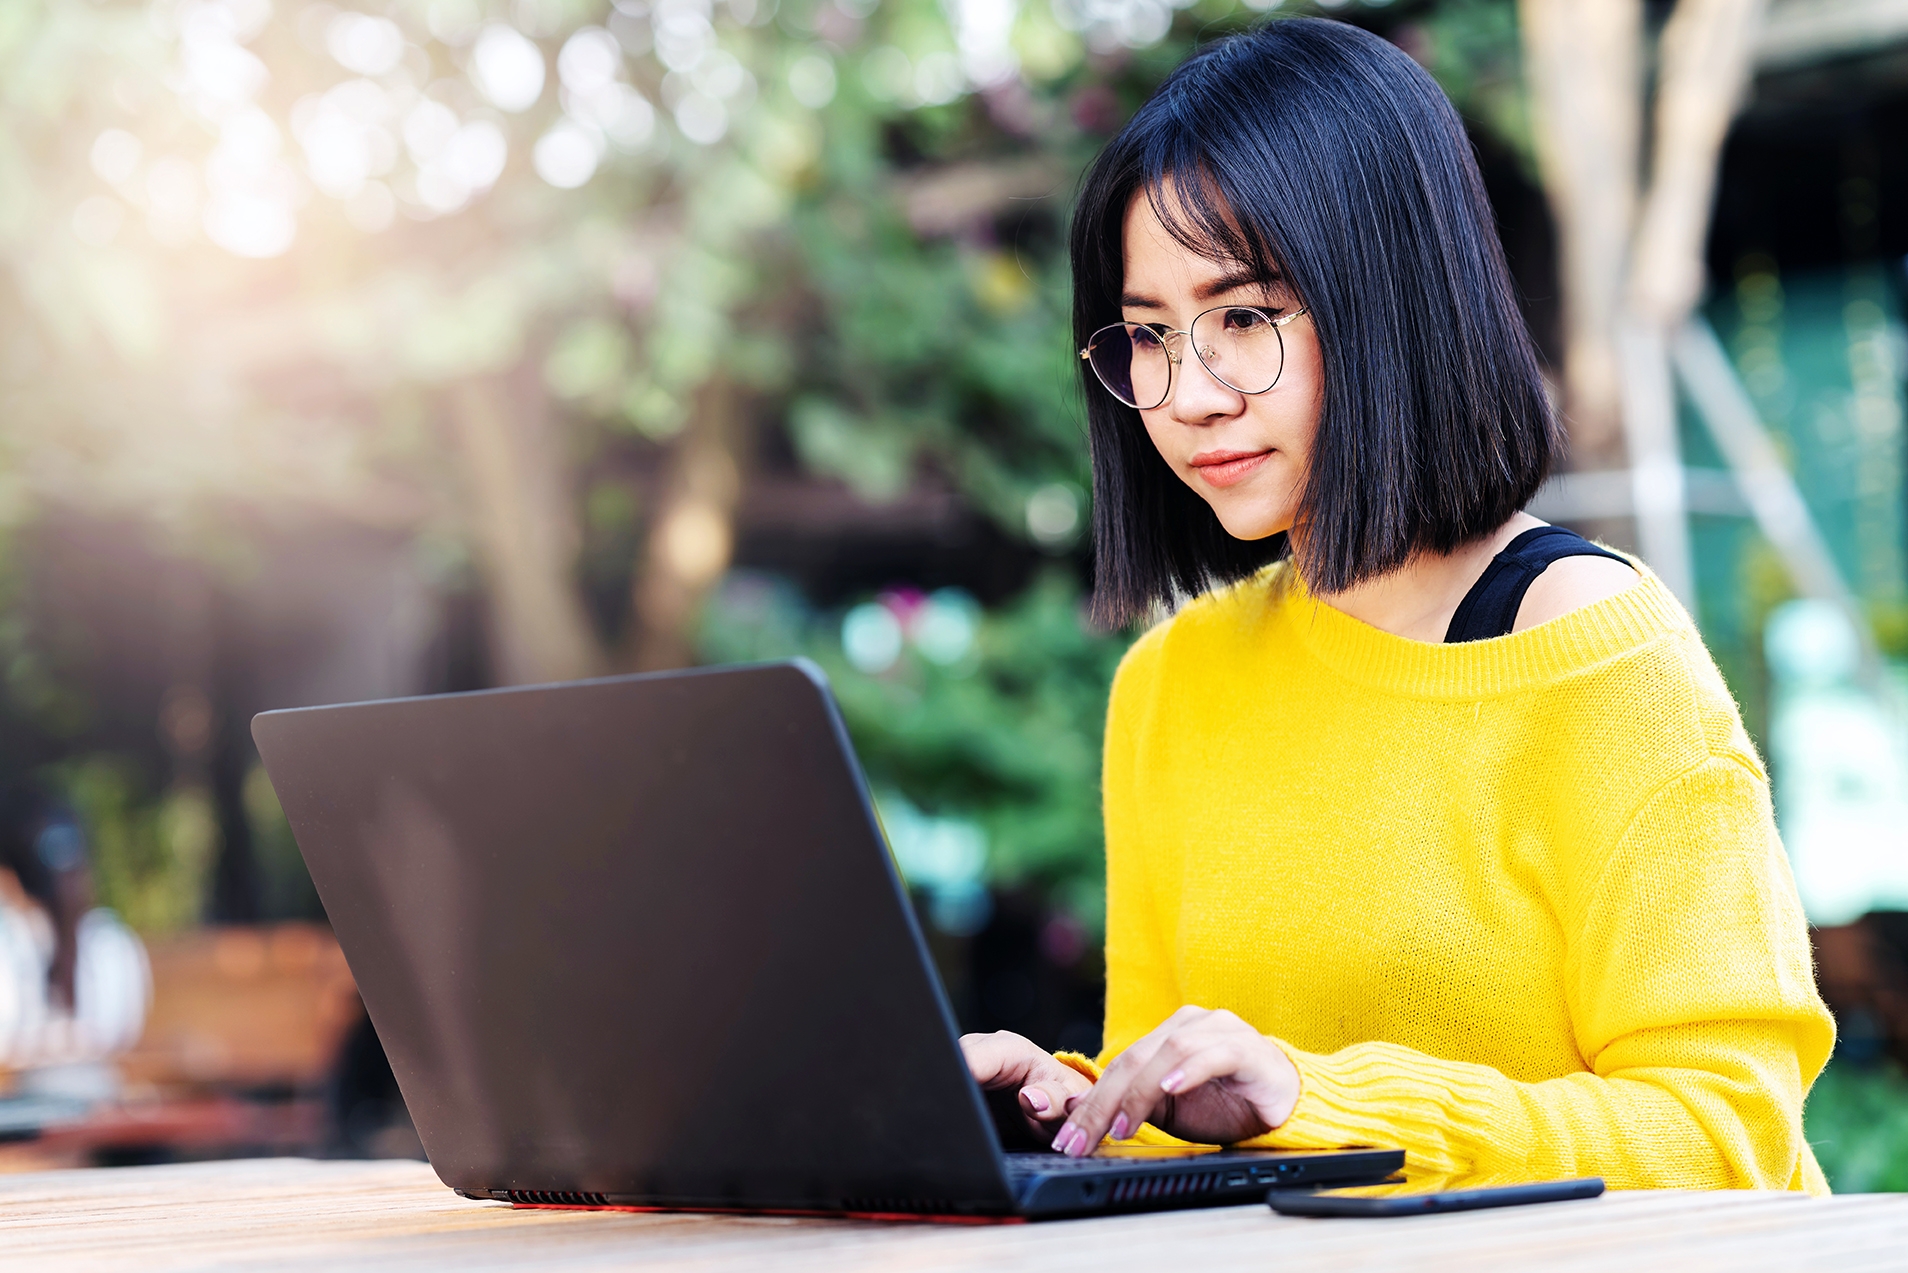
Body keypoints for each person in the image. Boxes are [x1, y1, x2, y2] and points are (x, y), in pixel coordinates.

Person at [961, 17, 1833, 1192]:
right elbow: (1192, 1126)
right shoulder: (1170, 684)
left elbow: (1730, 1138)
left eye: (1245, 318)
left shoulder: (1593, 654)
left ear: (1390, 303)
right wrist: (1084, 1107)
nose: (1191, 395)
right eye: (1150, 336)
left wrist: (1321, 1101)